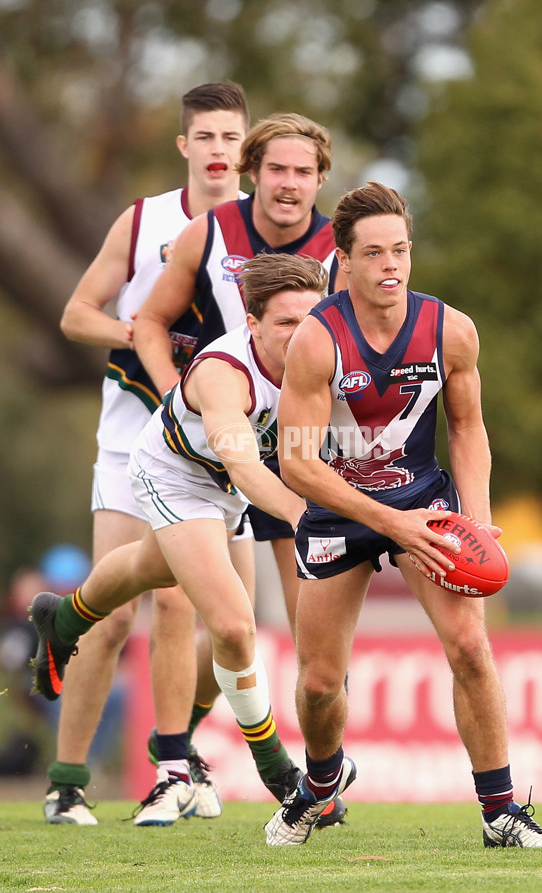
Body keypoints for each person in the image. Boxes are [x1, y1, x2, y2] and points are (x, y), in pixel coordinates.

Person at [265, 182, 542, 849]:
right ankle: (319, 785)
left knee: (470, 647)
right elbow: (298, 466)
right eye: (374, 253)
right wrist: (386, 524)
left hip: (424, 503)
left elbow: (468, 429)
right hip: (338, 509)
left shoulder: (450, 330)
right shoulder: (315, 343)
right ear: (344, 260)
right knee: (318, 684)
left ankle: (500, 813)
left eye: (400, 250)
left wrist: (477, 518)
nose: (391, 266)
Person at [31, 253, 345, 828]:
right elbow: (248, 469)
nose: (301, 334)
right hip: (177, 473)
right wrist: (310, 517)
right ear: (252, 324)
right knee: (232, 624)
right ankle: (276, 768)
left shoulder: (321, 357)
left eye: (311, 319)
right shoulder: (224, 372)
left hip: (228, 486)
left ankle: (64, 619)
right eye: (285, 323)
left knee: (149, 568)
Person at [47, 81, 252, 825]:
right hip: (131, 434)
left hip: (219, 450)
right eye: (207, 138)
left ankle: (174, 761)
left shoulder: (260, 231)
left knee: (206, 613)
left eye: (232, 138)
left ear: (246, 147)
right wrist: (144, 334)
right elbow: (76, 314)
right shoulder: (144, 222)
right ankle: (67, 781)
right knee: (117, 614)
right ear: (184, 146)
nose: (220, 151)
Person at [133, 111, 344, 638]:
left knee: (309, 630)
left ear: (320, 179)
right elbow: (151, 323)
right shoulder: (208, 232)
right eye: (277, 169)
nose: (289, 183)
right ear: (253, 171)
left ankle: (299, 710)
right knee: (202, 614)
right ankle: (176, 725)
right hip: (221, 440)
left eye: (303, 171)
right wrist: (178, 398)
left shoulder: (342, 252)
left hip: (299, 443)